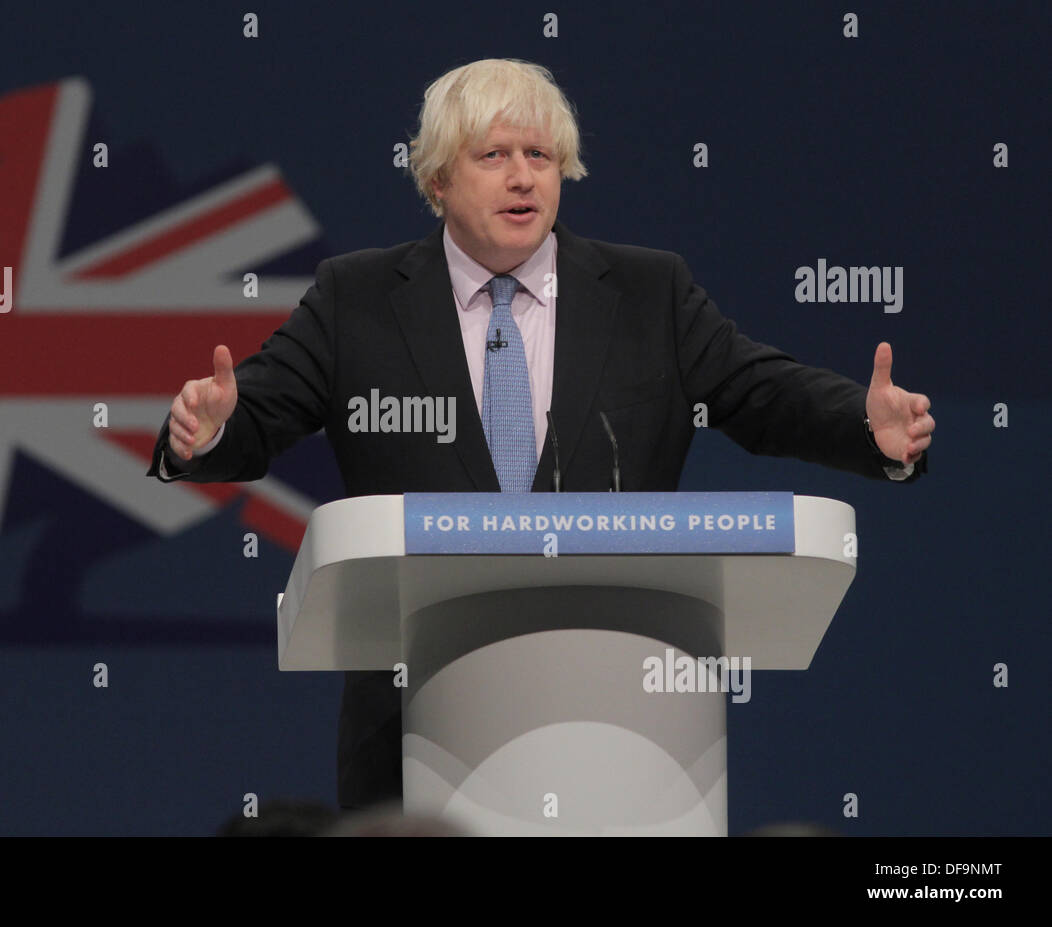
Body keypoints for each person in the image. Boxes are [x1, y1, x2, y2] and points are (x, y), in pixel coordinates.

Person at [146, 58, 935, 810]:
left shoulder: (644, 291)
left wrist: (863, 427)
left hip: (624, 730)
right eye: (493, 155)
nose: (524, 176)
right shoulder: (356, 299)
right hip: (413, 730)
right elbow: (259, 415)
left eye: (541, 155)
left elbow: (759, 393)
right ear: (437, 179)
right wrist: (204, 431)